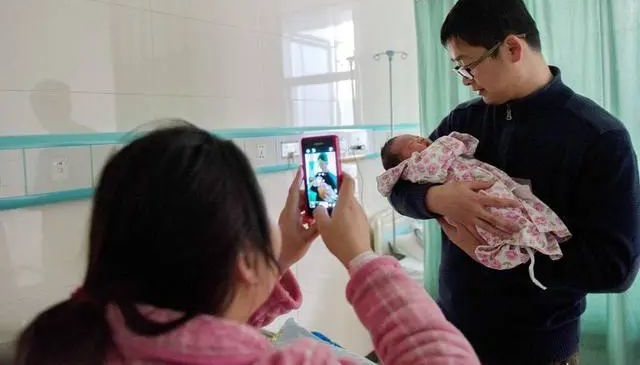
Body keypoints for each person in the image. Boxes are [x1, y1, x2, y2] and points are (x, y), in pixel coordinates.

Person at [15, 123, 479, 364]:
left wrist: (279, 256)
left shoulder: (62, 341)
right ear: (242, 261)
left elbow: (200, 328)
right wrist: (363, 258)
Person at [389, 0, 640, 364]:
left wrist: (515, 256)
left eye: (468, 64)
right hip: (454, 336)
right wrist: (437, 199)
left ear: (511, 48)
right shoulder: (462, 122)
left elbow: (615, 268)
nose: (465, 79)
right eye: (458, 68)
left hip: (540, 349)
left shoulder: (598, 136)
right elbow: (399, 184)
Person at [378, 132, 571, 290]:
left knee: (512, 214)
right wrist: (434, 198)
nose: (421, 138)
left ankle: (531, 241)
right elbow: (396, 193)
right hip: (463, 294)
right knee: (497, 222)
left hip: (550, 308)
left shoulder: (582, 124)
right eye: (413, 141)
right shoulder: (456, 123)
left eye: (417, 137)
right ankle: (516, 245)